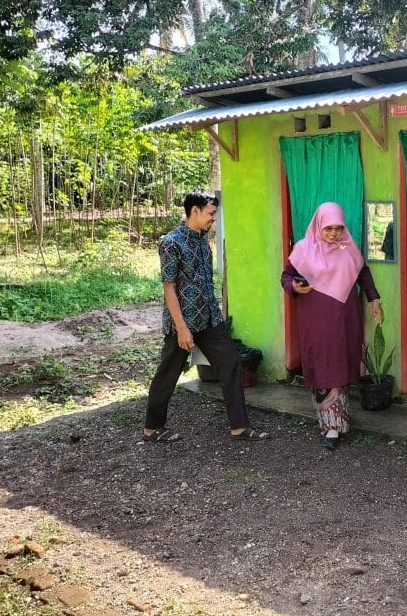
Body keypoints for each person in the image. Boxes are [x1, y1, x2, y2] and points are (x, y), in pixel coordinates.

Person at [142, 190, 267, 443]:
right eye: (210, 214)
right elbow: (169, 287)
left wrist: (217, 314)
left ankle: (239, 426)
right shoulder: (171, 242)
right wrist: (181, 327)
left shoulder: (201, 239)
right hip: (183, 322)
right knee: (169, 371)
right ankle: (152, 427)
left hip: (209, 318)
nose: (213, 219)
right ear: (195, 211)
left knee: (231, 363)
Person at [281, 202, 383, 450]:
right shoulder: (304, 250)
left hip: (344, 319)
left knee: (338, 365)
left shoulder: (349, 249)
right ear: (318, 226)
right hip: (315, 321)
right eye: (328, 228)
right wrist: (294, 286)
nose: (333, 233)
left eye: (338, 228)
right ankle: (328, 424)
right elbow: (286, 276)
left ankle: (335, 426)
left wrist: (375, 301)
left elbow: (364, 275)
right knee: (322, 365)